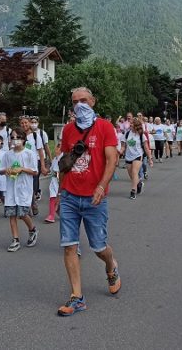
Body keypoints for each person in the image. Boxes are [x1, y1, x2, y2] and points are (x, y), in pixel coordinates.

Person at [57, 87, 120, 317]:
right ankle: (77, 297)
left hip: (95, 198)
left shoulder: (105, 127)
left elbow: (112, 159)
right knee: (69, 245)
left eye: (83, 100)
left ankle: (111, 265)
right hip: (70, 197)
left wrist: (102, 186)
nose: (79, 104)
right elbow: (64, 161)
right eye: (75, 101)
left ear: (93, 101)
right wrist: (60, 190)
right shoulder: (67, 130)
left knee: (98, 247)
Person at [0, 128, 39, 252]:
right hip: (11, 188)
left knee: (22, 214)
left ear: (23, 140)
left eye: (17, 138)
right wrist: (8, 170)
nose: (15, 140)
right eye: (12, 138)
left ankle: (32, 229)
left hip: (24, 188)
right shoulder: (7, 154)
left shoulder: (29, 154)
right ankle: (15, 240)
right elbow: (1, 170)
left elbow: (34, 171)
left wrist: (22, 169)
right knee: (12, 214)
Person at [20, 115, 49, 216]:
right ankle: (29, 205)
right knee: (24, 185)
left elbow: (41, 152)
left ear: (29, 123)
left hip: (34, 164)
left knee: (33, 185)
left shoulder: (36, 136)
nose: (24, 125)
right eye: (22, 123)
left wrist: (43, 166)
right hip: (22, 164)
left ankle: (32, 203)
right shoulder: (19, 136)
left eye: (26, 122)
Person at [119, 117, 154, 199]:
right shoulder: (127, 134)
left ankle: (133, 191)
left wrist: (150, 159)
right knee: (132, 176)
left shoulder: (141, 135)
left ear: (136, 126)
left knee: (135, 172)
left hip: (138, 155)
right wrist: (120, 152)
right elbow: (123, 146)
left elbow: (146, 147)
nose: (130, 126)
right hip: (128, 156)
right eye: (130, 124)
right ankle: (139, 184)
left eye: (132, 124)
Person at [45, 153, 61, 223]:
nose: (57, 148)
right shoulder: (55, 158)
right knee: (52, 197)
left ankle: (59, 212)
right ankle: (51, 215)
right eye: (57, 146)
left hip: (60, 180)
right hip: (54, 180)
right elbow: (51, 169)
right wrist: (46, 171)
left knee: (60, 198)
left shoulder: (64, 157)